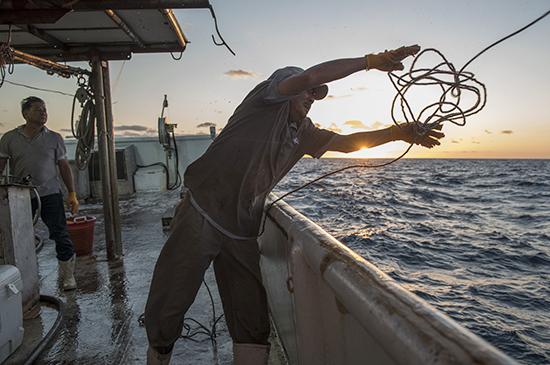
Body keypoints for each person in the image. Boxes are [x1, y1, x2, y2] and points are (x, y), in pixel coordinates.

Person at [144, 45, 444, 365]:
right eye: (305, 92)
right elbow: (311, 76)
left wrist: (401, 132)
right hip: (202, 211)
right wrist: (369, 62)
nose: (310, 97)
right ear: (285, 88)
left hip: (242, 229)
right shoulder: (265, 100)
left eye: (315, 96)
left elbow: (347, 143)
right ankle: (158, 356)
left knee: (251, 320)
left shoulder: (305, 133)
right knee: (170, 303)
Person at [0, 96, 80, 291]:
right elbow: (0, 165)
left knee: (60, 233)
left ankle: (68, 276)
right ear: (25, 114)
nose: (43, 113)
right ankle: (24, 276)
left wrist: (72, 193)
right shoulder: (9, 138)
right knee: (20, 237)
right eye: (38, 109)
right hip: (20, 195)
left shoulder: (54, 138)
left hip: (50, 194)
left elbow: (63, 166)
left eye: (44, 109)